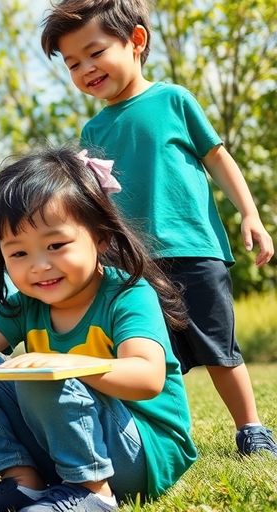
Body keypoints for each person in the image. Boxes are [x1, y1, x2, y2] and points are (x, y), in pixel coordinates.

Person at [41, 0, 277, 458]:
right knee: (145, 349)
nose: (85, 68)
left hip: (192, 247)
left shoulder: (173, 100)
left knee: (216, 345)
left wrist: (250, 214)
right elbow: (98, 200)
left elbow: (218, 159)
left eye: (95, 52)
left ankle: (250, 428)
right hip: (131, 261)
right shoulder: (93, 127)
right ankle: (160, 434)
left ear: (136, 41)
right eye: (73, 63)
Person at [0, 147, 196, 512]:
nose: (39, 266)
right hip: (67, 446)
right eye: (18, 254)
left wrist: (67, 365)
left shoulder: (126, 295)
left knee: (43, 377)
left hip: (141, 450)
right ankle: (23, 483)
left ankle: (93, 492)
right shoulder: (26, 304)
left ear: (100, 236)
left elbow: (147, 377)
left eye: (55, 245)